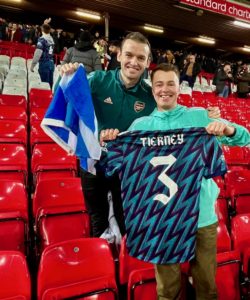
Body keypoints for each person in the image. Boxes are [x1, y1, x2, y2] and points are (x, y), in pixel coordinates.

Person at [101, 63, 250, 300]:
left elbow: (245, 137)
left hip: (202, 218)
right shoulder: (141, 127)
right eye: (159, 84)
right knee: (167, 290)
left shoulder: (200, 117)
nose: (165, 89)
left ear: (179, 87)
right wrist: (109, 141)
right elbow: (110, 162)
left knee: (207, 288)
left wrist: (227, 130)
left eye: (170, 84)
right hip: (162, 219)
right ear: (152, 89)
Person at [60, 32, 221, 239]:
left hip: (128, 166)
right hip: (93, 160)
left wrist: (203, 115)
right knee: (97, 219)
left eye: (140, 58)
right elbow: (65, 97)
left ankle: (127, 263)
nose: (133, 62)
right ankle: (104, 262)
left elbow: (172, 114)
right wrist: (66, 76)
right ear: (118, 56)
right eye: (129, 55)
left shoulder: (150, 94)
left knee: (127, 217)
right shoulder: (96, 80)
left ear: (147, 62)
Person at [30, 23, 54, 89]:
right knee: (50, 85)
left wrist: (33, 65)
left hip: (44, 63)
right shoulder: (51, 39)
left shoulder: (42, 39)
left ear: (42, 30)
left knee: (44, 85)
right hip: (51, 63)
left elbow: (38, 53)